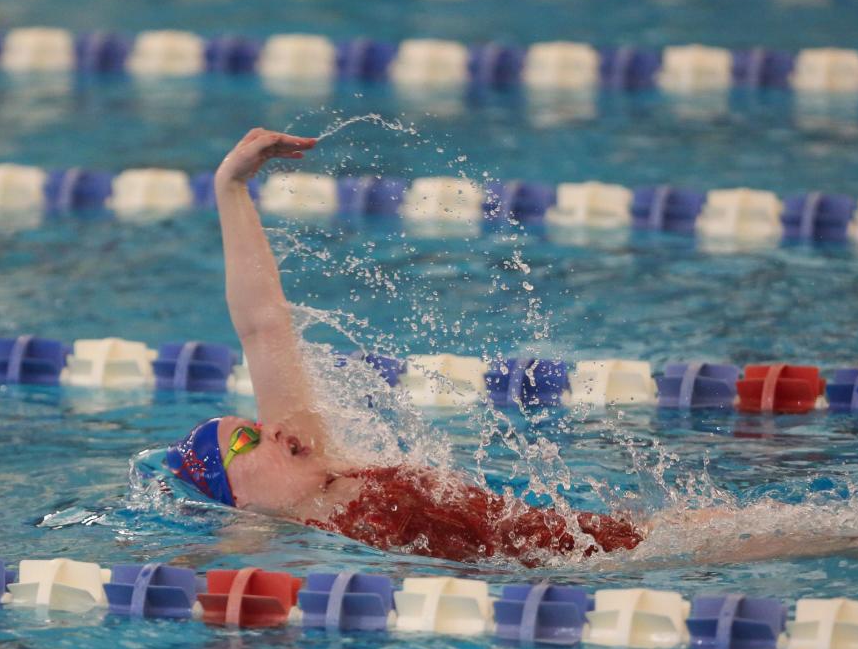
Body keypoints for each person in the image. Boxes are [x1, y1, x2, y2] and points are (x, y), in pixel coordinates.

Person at [166, 128, 643, 567]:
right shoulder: (266, 537)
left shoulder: (320, 457)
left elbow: (262, 325)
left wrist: (229, 186)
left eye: (254, 425)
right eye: (246, 439)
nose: (268, 428)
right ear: (237, 497)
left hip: (599, 549)